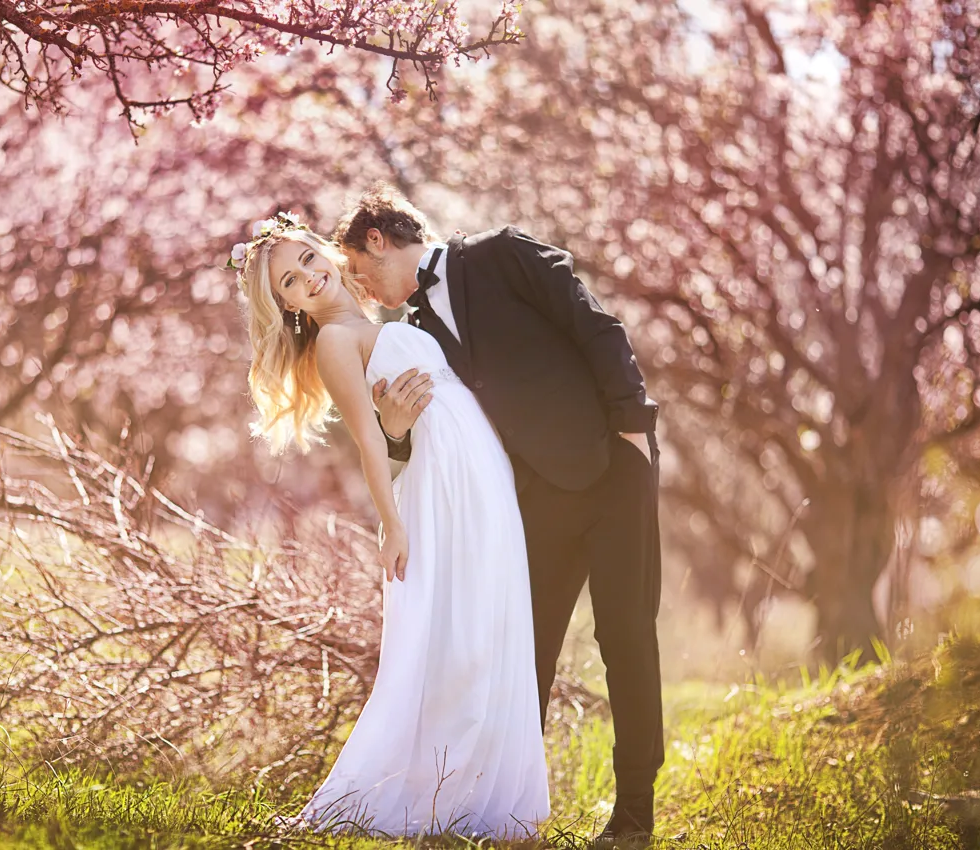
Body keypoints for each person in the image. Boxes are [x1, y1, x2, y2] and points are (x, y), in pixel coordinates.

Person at [335, 185, 664, 849]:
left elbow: (595, 326)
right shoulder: (411, 335)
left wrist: (634, 432)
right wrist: (393, 432)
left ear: (377, 238)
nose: (359, 288)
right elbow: (432, 435)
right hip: (528, 507)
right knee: (521, 653)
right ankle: (497, 813)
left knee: (626, 637)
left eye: (357, 270)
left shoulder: (501, 253)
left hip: (611, 471)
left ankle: (634, 817)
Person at [232, 212, 549, 837]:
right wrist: (393, 524)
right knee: (460, 639)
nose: (309, 278)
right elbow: (371, 443)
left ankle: (485, 799)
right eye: (291, 282)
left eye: (307, 260)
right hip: (440, 487)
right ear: (288, 306)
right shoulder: (335, 341)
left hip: (482, 474)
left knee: (495, 622)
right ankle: (433, 797)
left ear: (324, 250)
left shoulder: (382, 318)